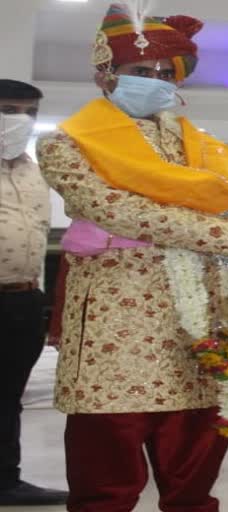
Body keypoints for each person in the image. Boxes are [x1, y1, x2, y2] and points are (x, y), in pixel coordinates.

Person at [36, 5, 228, 511]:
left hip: (202, 309)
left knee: (197, 445)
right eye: (141, 72)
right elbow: (119, 211)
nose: (155, 81)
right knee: (108, 449)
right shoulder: (67, 144)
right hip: (120, 313)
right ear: (105, 74)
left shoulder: (205, 148)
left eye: (165, 74)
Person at [0, 80, 68, 506]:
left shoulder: (34, 167)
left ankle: (6, 480)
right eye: (9, 110)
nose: (19, 121)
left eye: (29, 113)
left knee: (8, 398)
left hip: (23, 299)